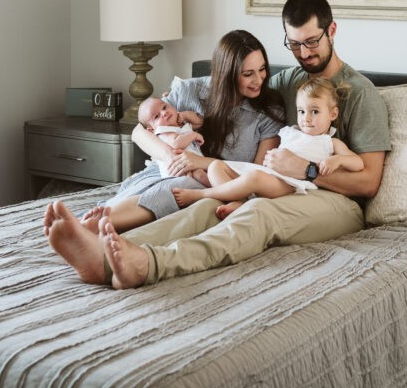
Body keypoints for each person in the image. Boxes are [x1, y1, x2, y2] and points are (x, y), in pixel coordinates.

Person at [44, 0, 390, 289]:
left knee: (257, 213)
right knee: (210, 206)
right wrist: (170, 108)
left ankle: (149, 264)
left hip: (335, 202)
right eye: (294, 44)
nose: (304, 53)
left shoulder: (361, 93)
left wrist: (308, 170)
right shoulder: (288, 81)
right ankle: (107, 250)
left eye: (312, 42)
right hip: (279, 184)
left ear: (331, 30)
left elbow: (369, 182)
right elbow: (229, 79)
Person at [58, 29, 284, 235]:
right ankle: (99, 217)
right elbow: (140, 132)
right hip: (167, 167)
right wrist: (171, 157)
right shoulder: (188, 90)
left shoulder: (268, 111)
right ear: (226, 73)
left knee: (172, 190)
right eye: (248, 74)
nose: (259, 80)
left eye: (262, 69)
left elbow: (257, 174)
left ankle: (98, 226)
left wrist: (198, 162)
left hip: (215, 182)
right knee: (140, 184)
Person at [172, 77, 363, 210]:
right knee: (215, 167)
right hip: (268, 174)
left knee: (253, 177)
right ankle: (238, 202)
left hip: (290, 184)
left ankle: (204, 195)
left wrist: (337, 161)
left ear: (333, 114)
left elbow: (358, 163)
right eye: (301, 111)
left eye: (314, 111)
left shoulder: (330, 142)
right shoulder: (291, 131)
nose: (306, 118)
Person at [136, 96, 209, 183]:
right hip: (178, 170)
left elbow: (200, 122)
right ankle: (215, 191)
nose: (164, 112)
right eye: (156, 117)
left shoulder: (180, 125)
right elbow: (176, 144)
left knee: (210, 173)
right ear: (152, 129)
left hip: (193, 163)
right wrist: (193, 135)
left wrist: (184, 115)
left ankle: (220, 190)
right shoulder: (162, 131)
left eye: (164, 107)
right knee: (200, 175)